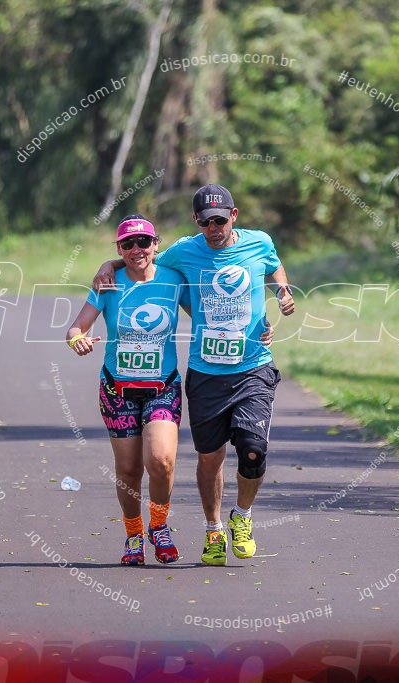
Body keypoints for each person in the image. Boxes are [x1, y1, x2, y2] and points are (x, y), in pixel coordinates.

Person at [93, 184, 296, 566]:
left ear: (234, 216)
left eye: (220, 220)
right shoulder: (185, 250)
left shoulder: (259, 242)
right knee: (210, 458)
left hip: (253, 365)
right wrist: (111, 265)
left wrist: (282, 290)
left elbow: (273, 264)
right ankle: (213, 529)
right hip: (205, 374)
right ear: (197, 222)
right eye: (206, 222)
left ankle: (243, 517)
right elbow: (144, 258)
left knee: (253, 451)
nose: (214, 227)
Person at [67, 215, 188, 565]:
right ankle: (134, 534)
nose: (136, 249)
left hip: (162, 388)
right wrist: (78, 341)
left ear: (156, 244)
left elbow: (208, 317)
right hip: (117, 389)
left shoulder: (174, 279)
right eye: (127, 244)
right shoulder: (108, 282)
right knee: (130, 470)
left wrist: (256, 328)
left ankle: (160, 526)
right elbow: (75, 328)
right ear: (118, 248)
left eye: (144, 242)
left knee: (161, 461)